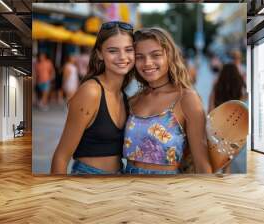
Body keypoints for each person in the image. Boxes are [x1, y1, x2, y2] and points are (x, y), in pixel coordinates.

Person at [123, 27, 212, 174]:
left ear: (169, 56)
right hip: (128, 187)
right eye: (140, 57)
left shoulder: (186, 99)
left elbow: (201, 162)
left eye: (155, 55)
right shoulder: (134, 100)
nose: (147, 62)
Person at [51, 21, 135, 174]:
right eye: (113, 51)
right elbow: (61, 157)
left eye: (128, 49)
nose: (122, 57)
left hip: (119, 179)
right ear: (99, 54)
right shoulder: (91, 91)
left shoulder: (124, 96)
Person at [208, 63, 247, 173]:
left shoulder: (217, 85)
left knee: (219, 155)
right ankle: (226, 173)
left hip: (219, 125)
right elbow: (242, 105)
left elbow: (210, 108)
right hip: (234, 125)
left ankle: (221, 173)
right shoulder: (239, 86)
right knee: (228, 157)